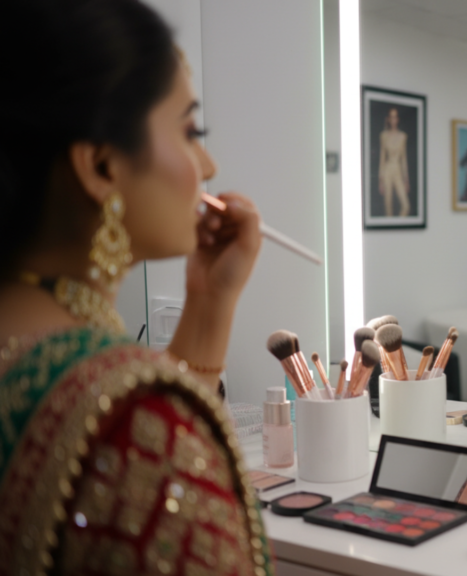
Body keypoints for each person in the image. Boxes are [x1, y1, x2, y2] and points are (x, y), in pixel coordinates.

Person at [0, 0, 272, 573]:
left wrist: (209, 304)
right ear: (101, 166)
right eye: (190, 130)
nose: (209, 164)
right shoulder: (132, 429)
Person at [378, 107, 410, 217]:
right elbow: (382, 158)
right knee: (388, 206)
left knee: (405, 205)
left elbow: (403, 159)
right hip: (387, 170)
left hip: (398, 171)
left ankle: (399, 228)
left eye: (395, 117)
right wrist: (380, 180)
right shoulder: (384, 136)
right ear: (388, 119)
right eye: (391, 117)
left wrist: (406, 179)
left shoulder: (403, 136)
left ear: (398, 119)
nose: (393, 120)